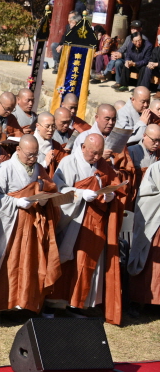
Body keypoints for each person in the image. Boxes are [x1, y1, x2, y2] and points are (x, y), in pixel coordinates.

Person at [48, 133, 123, 324]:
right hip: (71, 220)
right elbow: (58, 189)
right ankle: (51, 304)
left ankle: (76, 304)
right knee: (64, 261)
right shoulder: (68, 163)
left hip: (93, 223)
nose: (96, 157)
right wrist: (80, 193)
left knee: (85, 263)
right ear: (83, 148)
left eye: (99, 154)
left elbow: (114, 186)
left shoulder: (103, 165)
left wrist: (109, 197)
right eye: (92, 153)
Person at [0, 135, 61, 314]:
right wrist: (15, 202)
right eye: (29, 155)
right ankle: (0, 307)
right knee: (8, 265)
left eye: (36, 154)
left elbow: (48, 187)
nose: (33, 158)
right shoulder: (5, 169)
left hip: (32, 225)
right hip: (11, 224)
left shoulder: (39, 168)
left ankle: (25, 304)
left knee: (30, 264)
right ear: (18, 150)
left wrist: (44, 200)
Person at [129, 156, 160, 311]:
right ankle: (141, 300)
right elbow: (148, 195)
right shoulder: (156, 168)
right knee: (150, 260)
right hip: (155, 222)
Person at [34, 112, 68, 177]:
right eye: (47, 126)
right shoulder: (29, 143)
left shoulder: (56, 146)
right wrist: (44, 164)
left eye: (53, 126)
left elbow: (66, 163)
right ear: (37, 126)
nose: (51, 130)